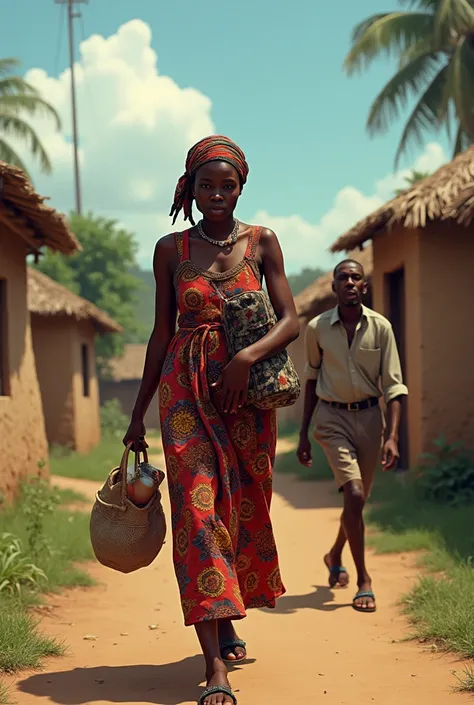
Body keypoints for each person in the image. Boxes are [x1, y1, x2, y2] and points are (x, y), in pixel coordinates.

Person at [123, 135, 299, 705]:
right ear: (190, 188)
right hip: (184, 397)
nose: (216, 194)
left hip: (247, 401)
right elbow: (160, 333)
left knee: (240, 507)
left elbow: (291, 320)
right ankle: (213, 667)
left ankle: (226, 619)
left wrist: (246, 358)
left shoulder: (263, 242)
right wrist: (137, 414)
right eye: (206, 185)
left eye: (227, 185)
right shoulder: (171, 249)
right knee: (198, 512)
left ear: (241, 187)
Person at [297, 258, 408, 614]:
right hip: (331, 419)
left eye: (355, 278)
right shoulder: (317, 328)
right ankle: (364, 580)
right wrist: (303, 434)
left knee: (357, 503)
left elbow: (394, 387)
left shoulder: (381, 328)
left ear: (364, 286)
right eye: (342, 277)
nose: (349, 282)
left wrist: (392, 437)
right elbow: (312, 379)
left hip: (370, 418)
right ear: (334, 287)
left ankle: (334, 554)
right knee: (355, 493)